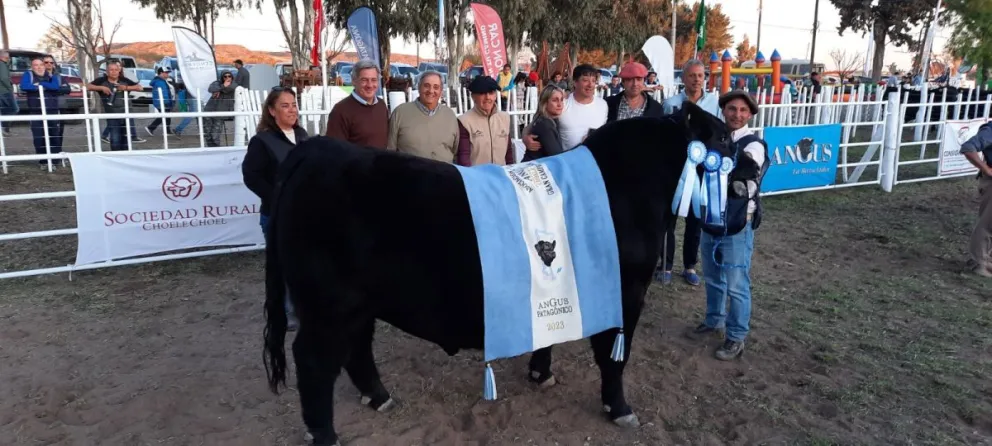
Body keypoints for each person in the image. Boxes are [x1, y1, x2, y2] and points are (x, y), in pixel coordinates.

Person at [686, 90, 768, 361]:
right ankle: (713, 320)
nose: (737, 114)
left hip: (736, 222)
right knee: (712, 277)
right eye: (732, 109)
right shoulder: (712, 138)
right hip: (710, 219)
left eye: (743, 111)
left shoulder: (753, 144)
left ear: (750, 115)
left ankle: (736, 336)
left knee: (736, 283)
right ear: (724, 110)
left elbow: (749, 172)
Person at [242, 87, 308, 331]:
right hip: (277, 215)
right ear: (271, 110)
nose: (292, 110)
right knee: (283, 264)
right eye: (285, 105)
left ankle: (302, 306)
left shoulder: (301, 135)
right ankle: (287, 311)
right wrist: (278, 198)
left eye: (293, 104)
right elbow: (251, 175)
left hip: (303, 214)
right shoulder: (262, 141)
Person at [656, 59, 722, 286]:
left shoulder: (714, 103)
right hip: (675, 168)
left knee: (695, 219)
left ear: (705, 78)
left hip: (703, 168)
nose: (696, 79)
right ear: (683, 78)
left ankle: (689, 266)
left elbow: (717, 134)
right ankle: (665, 265)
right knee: (669, 218)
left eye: (700, 75)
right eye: (691, 75)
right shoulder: (670, 103)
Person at [387, 71, 460, 162]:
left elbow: (456, 152)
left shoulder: (450, 115)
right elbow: (390, 151)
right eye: (426, 86)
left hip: (443, 174)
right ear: (419, 88)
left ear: (441, 91)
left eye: (436, 87)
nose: (431, 91)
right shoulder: (400, 113)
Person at [326, 59, 389, 149]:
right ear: (354, 81)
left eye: (374, 80)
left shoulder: (381, 106)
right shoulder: (340, 111)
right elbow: (334, 150)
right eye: (364, 80)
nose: (370, 85)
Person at [455, 76, 514, 166]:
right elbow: (463, 156)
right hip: (477, 177)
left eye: (491, 93)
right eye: (482, 93)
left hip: (500, 175)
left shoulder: (504, 117)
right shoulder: (464, 121)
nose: (487, 97)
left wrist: (510, 171)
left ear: (495, 96)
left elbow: (508, 152)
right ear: (473, 97)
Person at [958, 122, 992, 277]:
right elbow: (968, 148)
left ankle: (984, 259)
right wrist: (987, 170)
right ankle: (980, 262)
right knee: (987, 224)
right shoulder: (989, 131)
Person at [88, 60, 142, 151]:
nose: (114, 72)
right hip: (112, 115)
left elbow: (140, 87)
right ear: (107, 71)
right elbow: (87, 86)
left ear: (119, 71)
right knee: (115, 139)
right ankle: (116, 157)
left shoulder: (124, 80)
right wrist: (101, 88)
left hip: (126, 114)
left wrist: (126, 88)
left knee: (126, 139)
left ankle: (126, 158)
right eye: (111, 70)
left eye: (116, 70)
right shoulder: (101, 81)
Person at [20, 57, 61, 169]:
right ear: (32, 67)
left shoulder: (52, 75)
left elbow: (55, 86)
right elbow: (24, 86)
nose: (39, 67)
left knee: (54, 135)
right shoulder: (28, 75)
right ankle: (43, 161)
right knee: (39, 137)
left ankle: (54, 161)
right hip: (35, 110)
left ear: (44, 66)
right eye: (35, 65)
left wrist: (40, 84)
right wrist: (43, 87)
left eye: (41, 65)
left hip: (51, 110)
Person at [522, 84, 566, 162]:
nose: (560, 104)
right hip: (534, 170)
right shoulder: (545, 124)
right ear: (545, 103)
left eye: (561, 100)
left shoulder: (552, 120)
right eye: (555, 100)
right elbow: (557, 155)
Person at [204, 71, 238, 147]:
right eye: (225, 76)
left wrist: (219, 89)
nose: (227, 78)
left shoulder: (235, 84)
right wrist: (222, 86)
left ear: (232, 77)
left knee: (215, 134)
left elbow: (229, 89)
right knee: (207, 133)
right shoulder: (217, 83)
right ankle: (211, 149)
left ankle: (216, 149)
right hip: (209, 110)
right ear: (222, 77)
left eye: (229, 76)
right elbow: (211, 89)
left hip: (220, 113)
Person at [145, 67, 175, 136]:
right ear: (161, 73)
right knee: (164, 116)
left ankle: (167, 131)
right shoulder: (159, 82)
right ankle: (151, 128)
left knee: (166, 116)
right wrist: (167, 102)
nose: (168, 74)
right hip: (162, 102)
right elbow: (163, 94)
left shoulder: (161, 81)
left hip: (163, 102)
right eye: (166, 73)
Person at [0, 50, 15, 135]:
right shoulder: (2, 65)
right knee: (14, 109)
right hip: (5, 91)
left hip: (2, 91)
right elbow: (4, 78)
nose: (8, 59)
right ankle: (5, 129)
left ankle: (5, 129)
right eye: (7, 57)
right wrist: (10, 89)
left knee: (5, 109)